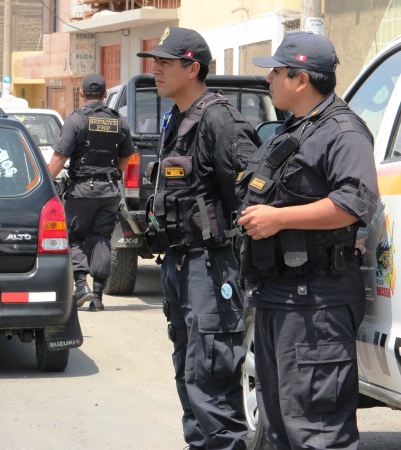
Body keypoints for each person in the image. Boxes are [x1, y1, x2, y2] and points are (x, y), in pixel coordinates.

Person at [238, 32, 379, 449]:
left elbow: (354, 203)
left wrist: (278, 219)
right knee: (280, 424)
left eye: (275, 72)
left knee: (316, 430)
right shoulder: (295, 129)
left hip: (315, 301)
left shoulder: (343, 131)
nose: (268, 80)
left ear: (300, 79)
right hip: (277, 294)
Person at [137, 27, 260, 449]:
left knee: (211, 383)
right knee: (189, 379)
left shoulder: (220, 120)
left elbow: (251, 197)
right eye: (154, 63)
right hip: (178, 266)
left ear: (193, 68)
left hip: (211, 269)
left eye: (165, 63)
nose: (155, 70)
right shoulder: (176, 118)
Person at [48, 74, 134, 312]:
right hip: (109, 191)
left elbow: (59, 158)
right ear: (105, 94)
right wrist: (113, 173)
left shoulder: (76, 120)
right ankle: (97, 296)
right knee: (101, 239)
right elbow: (127, 155)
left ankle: (80, 287)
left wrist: (42, 184)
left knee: (74, 237)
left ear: (82, 94)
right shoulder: (119, 120)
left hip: (82, 191)